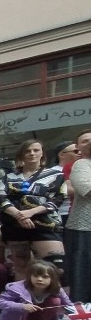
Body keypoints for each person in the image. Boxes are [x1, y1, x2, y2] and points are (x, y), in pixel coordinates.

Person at [0, 139, 65, 282]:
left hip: (45, 224)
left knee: (57, 267)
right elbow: (0, 198)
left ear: (42, 154)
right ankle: (23, 302)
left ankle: (58, 304)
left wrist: (30, 213)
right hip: (15, 225)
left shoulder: (56, 175)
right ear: (21, 154)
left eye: (36, 150)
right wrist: (19, 216)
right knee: (21, 266)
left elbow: (58, 199)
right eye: (28, 151)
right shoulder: (9, 177)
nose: (32, 153)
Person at [0, 261, 71, 320]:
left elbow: (68, 303)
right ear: (30, 276)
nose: (39, 279)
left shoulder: (56, 289)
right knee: (23, 300)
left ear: (52, 279)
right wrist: (22, 306)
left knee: (56, 301)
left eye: (45, 277)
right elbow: (0, 302)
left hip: (38, 315)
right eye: (35, 276)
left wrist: (77, 307)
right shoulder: (18, 288)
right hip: (18, 317)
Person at [65, 129, 91, 304]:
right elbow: (85, 189)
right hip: (84, 228)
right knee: (82, 273)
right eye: (85, 141)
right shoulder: (81, 165)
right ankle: (82, 313)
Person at [50, 141, 80, 226]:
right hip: (64, 213)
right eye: (75, 151)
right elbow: (66, 191)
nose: (79, 153)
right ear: (62, 155)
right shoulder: (52, 173)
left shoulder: (84, 167)